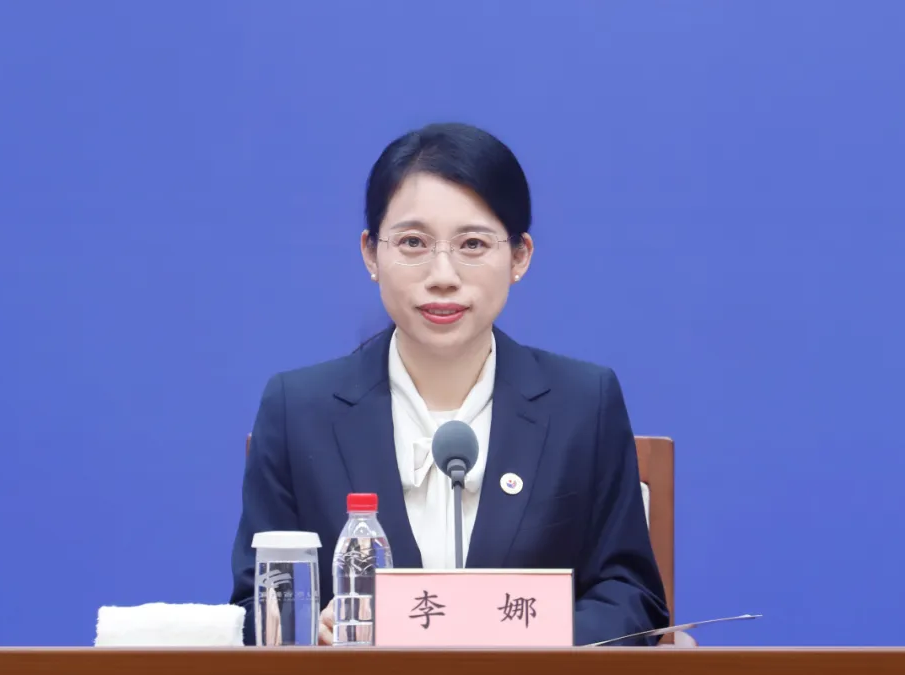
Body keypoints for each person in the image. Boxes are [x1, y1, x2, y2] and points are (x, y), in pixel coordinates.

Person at [230, 122, 669, 646]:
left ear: (519, 256)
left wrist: (528, 642)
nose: (443, 275)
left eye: (473, 243)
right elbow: (253, 609)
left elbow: (630, 596)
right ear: (371, 254)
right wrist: (310, 630)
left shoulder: (582, 404)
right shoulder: (298, 410)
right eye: (413, 242)